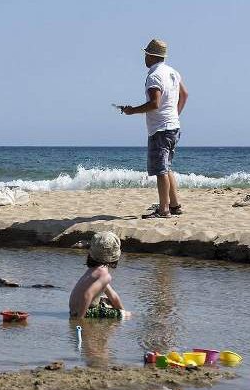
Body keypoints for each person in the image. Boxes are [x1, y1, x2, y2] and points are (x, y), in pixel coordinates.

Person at [119, 39, 188, 219]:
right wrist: (175, 114)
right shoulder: (173, 72)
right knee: (167, 167)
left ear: (151, 55)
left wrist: (132, 110)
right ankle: (174, 205)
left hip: (160, 129)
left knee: (161, 170)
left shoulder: (154, 76)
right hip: (173, 126)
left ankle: (164, 209)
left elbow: (154, 103)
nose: (144, 57)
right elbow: (184, 94)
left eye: (146, 54)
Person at [69, 231, 127, 319]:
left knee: (107, 300)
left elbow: (112, 296)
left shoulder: (94, 271)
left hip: (74, 309)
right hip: (84, 312)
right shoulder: (105, 276)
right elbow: (87, 295)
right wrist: (80, 319)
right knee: (127, 316)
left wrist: (122, 310)